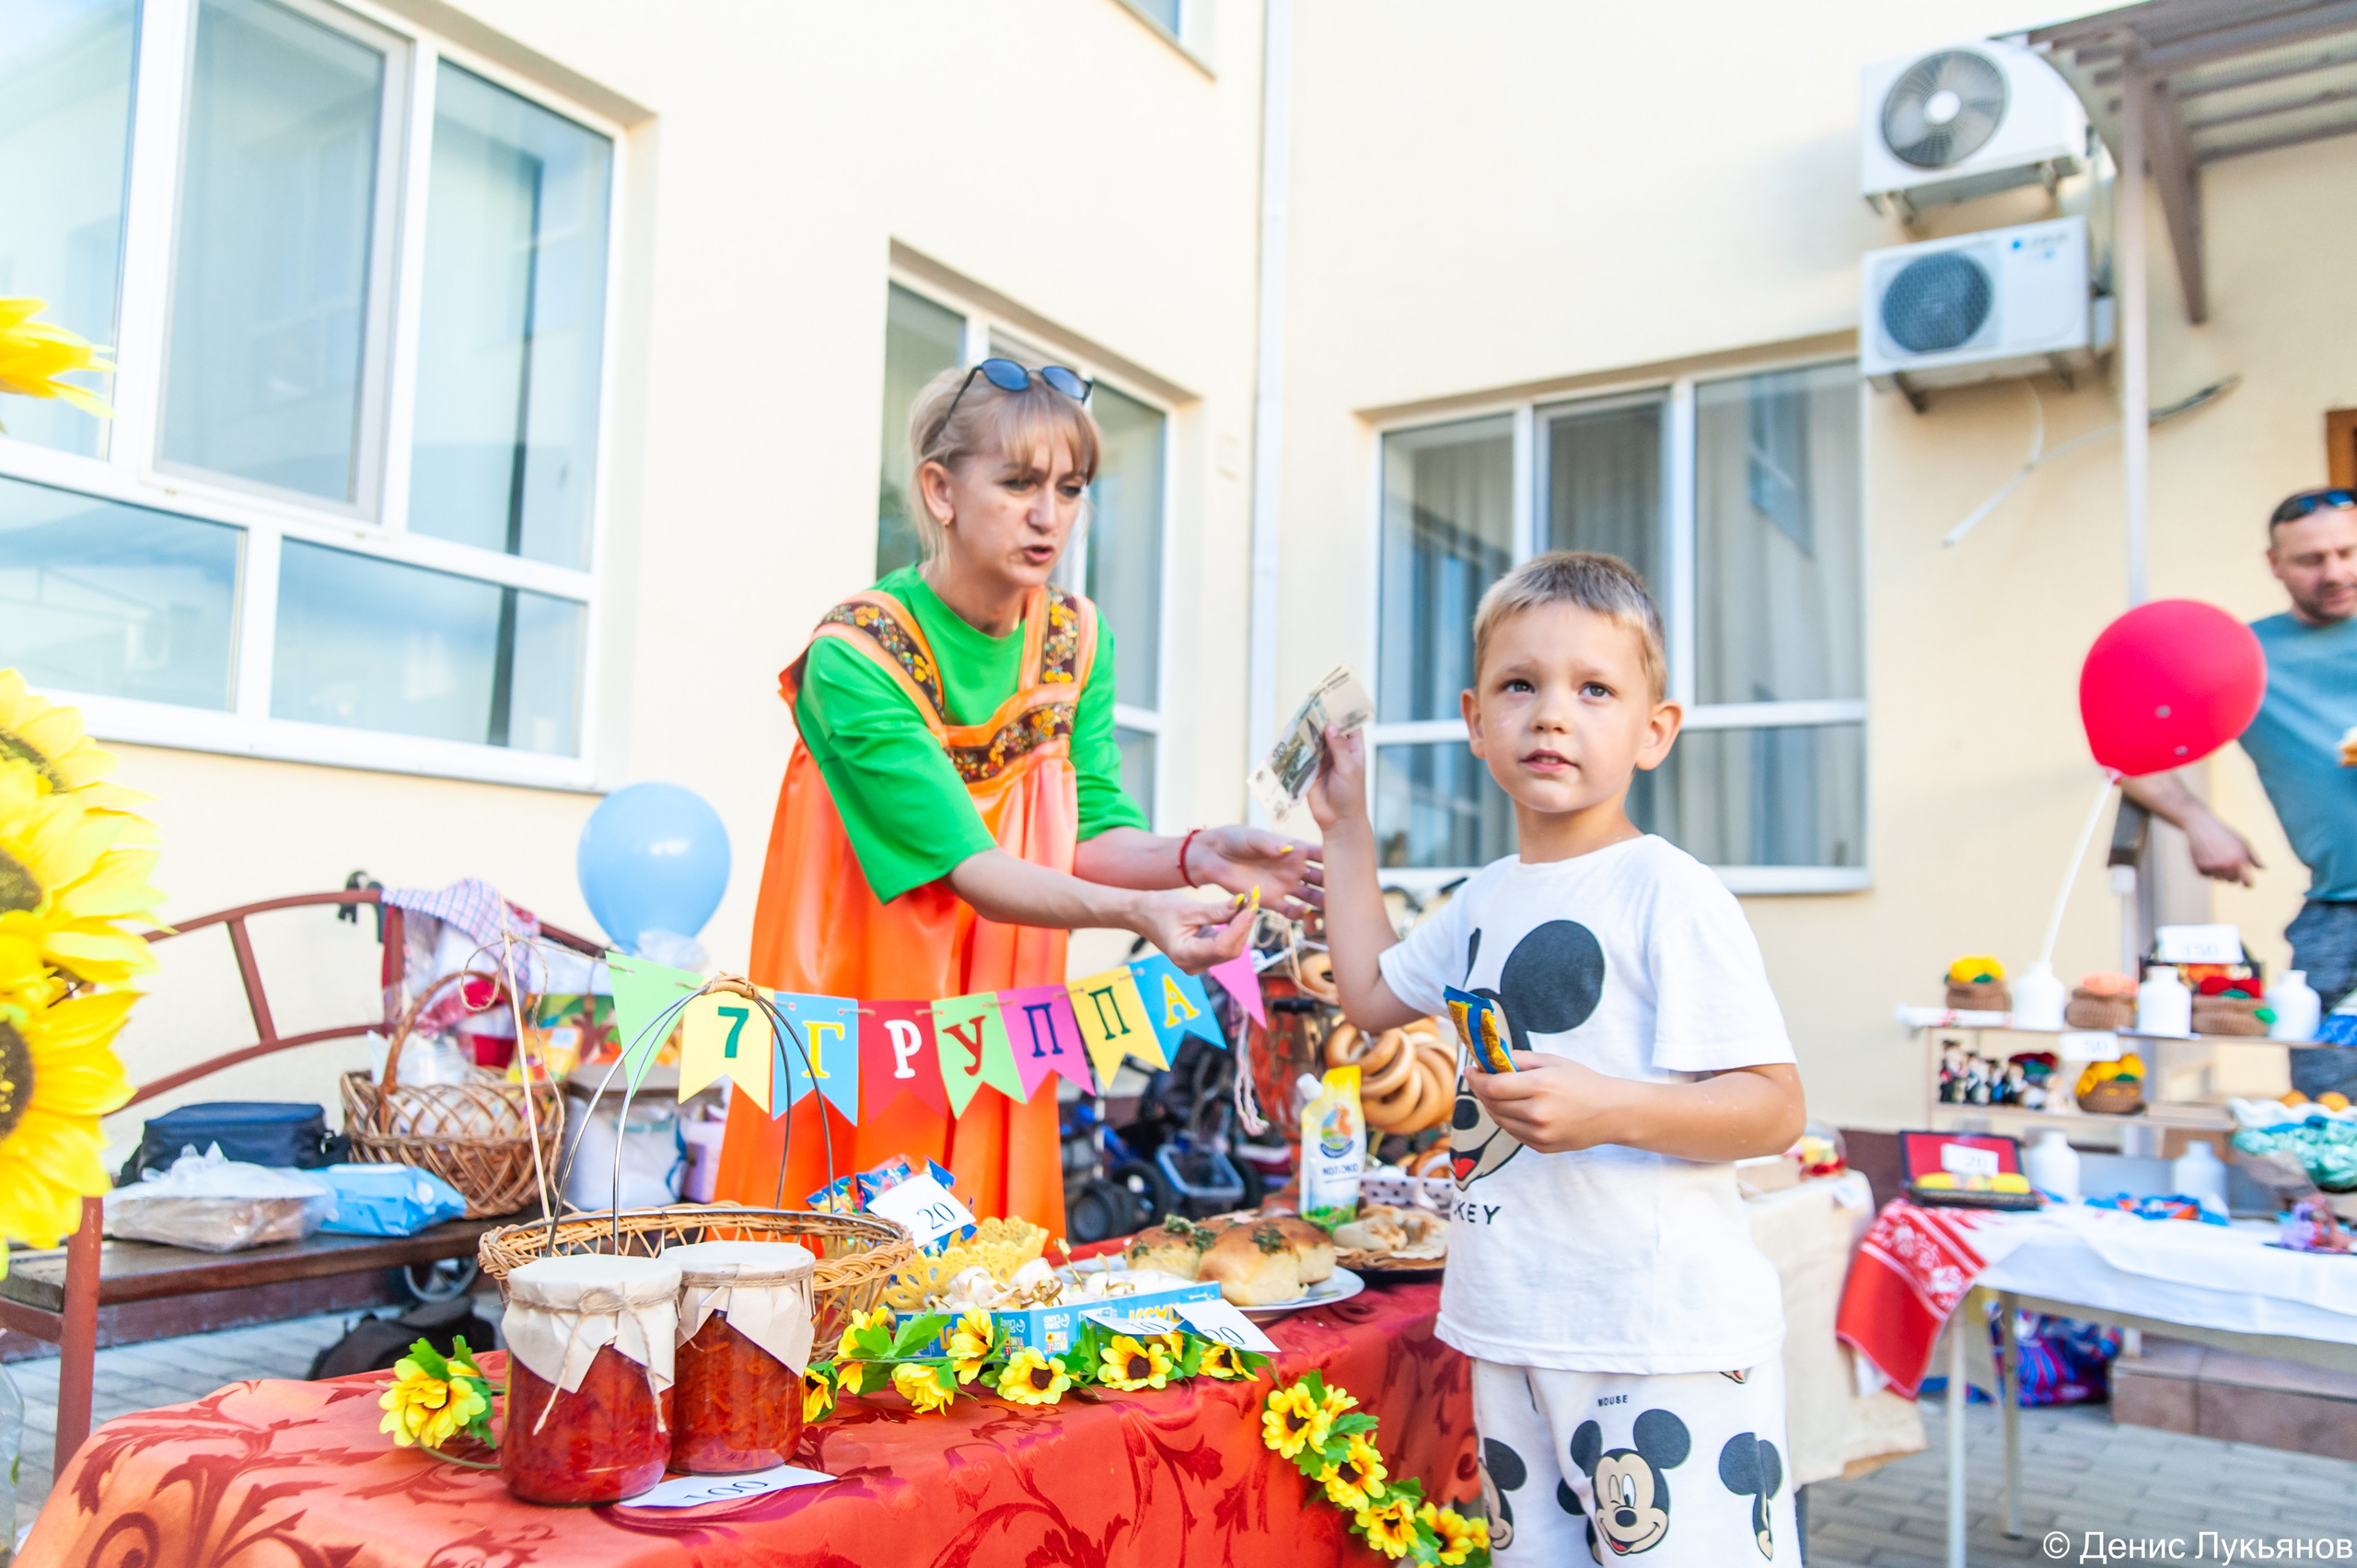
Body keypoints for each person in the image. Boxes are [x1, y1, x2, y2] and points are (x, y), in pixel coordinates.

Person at [712, 359, 1320, 1233]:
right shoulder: (855, 656)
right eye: (1019, 482)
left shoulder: (1077, 637)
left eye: (1071, 488)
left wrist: (1194, 856)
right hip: (866, 1021)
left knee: (992, 1288)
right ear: (940, 489)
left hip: (999, 1022)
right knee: (855, 1289)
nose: (1049, 515)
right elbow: (972, 866)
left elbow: (1090, 828)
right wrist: (1138, 914)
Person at [1308, 552, 1808, 1564]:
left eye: (1593, 689)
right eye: (1519, 685)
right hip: (1514, 1325)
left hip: (1664, 1340)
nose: (1550, 714)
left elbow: (1771, 1107)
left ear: (1653, 729)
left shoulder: (1669, 891)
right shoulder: (1484, 895)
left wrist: (1608, 1108)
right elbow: (1367, 994)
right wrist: (1346, 826)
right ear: (1473, 718)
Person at [2121, 487, 2357, 1097]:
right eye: (2311, 559)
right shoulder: (2242, 657)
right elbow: (2126, 746)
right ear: (2274, 564)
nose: (2334, 572)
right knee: (2328, 1105)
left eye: (2347, 551)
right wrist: (2198, 819)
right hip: (2339, 912)